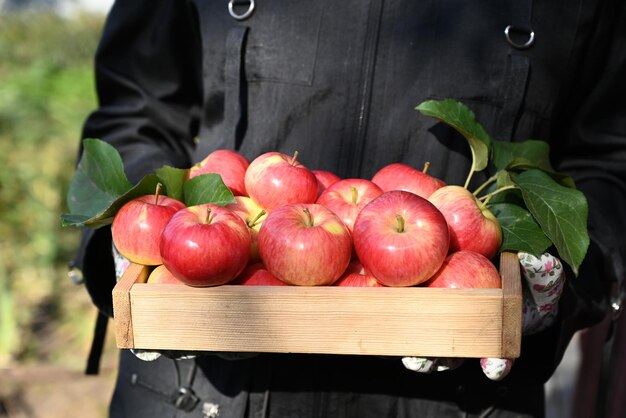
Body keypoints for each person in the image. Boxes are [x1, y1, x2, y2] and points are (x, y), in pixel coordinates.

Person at [72, 0, 626, 417]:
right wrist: (137, 243)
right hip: (203, 390)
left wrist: (562, 282)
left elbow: (610, 159)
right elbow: (136, 107)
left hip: (461, 398)